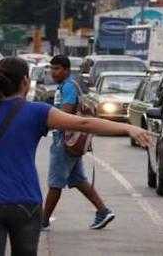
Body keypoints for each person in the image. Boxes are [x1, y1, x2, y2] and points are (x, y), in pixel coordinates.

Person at [0, 57, 152, 256]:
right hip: (25, 202)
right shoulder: (37, 112)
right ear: (25, 81)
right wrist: (127, 127)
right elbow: (84, 124)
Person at [42, 55, 113, 231]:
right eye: (52, 68)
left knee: (55, 183)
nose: (53, 72)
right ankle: (103, 211)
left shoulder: (68, 87)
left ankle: (42, 221)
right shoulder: (65, 86)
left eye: (57, 68)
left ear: (66, 70)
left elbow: (65, 115)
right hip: (70, 140)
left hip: (65, 140)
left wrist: (46, 123)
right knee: (79, 180)